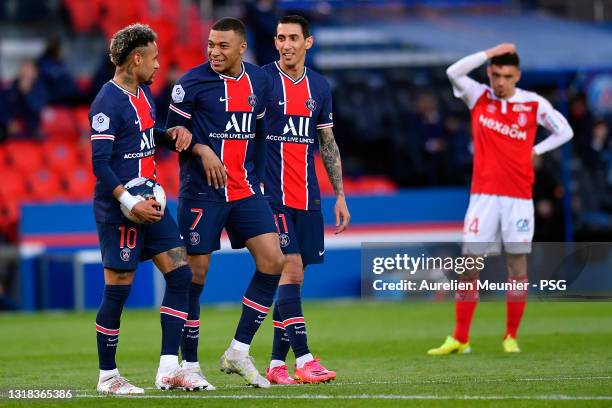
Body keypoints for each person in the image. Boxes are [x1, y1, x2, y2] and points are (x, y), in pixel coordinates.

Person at [428, 43, 573, 355]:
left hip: (519, 198)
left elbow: (565, 131)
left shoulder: (533, 104)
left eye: (507, 76)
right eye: (495, 75)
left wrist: (537, 150)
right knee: (469, 265)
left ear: (517, 76)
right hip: (483, 196)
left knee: (517, 265)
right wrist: (489, 52)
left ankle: (510, 336)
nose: (500, 82)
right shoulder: (478, 96)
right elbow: (453, 71)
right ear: (490, 74)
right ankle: (460, 338)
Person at [90, 23, 211, 394]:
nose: (159, 65)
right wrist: (129, 202)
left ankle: (169, 368)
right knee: (118, 291)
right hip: (121, 211)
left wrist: (169, 135)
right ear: (137, 58)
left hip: (153, 203)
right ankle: (107, 376)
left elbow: (142, 135)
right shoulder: (106, 102)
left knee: (180, 276)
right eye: (154, 58)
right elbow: (101, 163)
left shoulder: (142, 94)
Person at [166, 17, 284, 388]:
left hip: (246, 190)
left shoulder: (260, 81)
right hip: (202, 193)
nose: (214, 52)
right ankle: (191, 364)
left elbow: (262, 133)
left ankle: (238, 351)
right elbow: (169, 134)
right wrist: (200, 147)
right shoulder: (190, 83)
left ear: (241, 48)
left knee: (273, 261)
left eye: (223, 46)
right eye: (211, 45)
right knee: (194, 277)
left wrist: (261, 179)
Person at [261, 14, 349, 385]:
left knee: (293, 282)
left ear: (307, 43)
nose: (285, 45)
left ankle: (276, 364)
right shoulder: (262, 80)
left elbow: (326, 143)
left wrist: (340, 194)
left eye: (293, 38)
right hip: (272, 196)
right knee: (290, 269)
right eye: (280, 38)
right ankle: (306, 359)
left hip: (308, 197)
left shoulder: (319, 86)